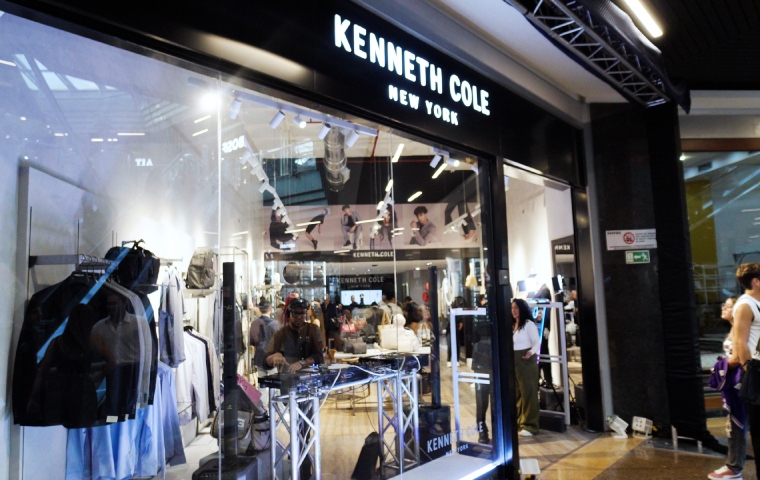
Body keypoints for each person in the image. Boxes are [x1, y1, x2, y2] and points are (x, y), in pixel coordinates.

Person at [265, 297, 323, 479]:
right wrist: (274, 357)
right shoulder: (280, 334)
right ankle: (296, 464)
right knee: (296, 427)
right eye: (296, 314)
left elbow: (319, 356)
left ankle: (302, 467)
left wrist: (303, 362)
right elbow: (266, 359)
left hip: (309, 383)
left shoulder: (312, 329)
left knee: (304, 428)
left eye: (302, 314)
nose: (299, 317)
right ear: (289, 314)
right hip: (288, 384)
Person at [708, 296, 745, 480]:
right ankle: (733, 464)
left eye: (728, 306)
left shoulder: (741, 328)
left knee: (737, 424)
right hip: (735, 383)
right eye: (723, 304)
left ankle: (734, 467)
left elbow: (738, 358)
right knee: (734, 425)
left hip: (741, 383)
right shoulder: (734, 327)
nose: (723, 307)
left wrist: (719, 367)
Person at [729, 264, 760, 480]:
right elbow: (740, 342)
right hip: (757, 370)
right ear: (756, 281)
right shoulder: (745, 305)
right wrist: (750, 372)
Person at [512, 298, 540, 437]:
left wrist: (531, 352)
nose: (514, 311)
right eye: (512, 308)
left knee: (528, 393)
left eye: (516, 308)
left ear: (522, 309)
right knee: (517, 393)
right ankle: (519, 421)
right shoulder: (513, 325)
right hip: (514, 360)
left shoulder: (528, 324)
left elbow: (536, 342)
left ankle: (530, 425)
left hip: (526, 361)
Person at [250, 301, 279, 378]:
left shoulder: (254, 323)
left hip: (259, 356)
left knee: (261, 382)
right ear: (270, 308)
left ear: (259, 309)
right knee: (274, 381)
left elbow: (252, 341)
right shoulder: (275, 324)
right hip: (272, 358)